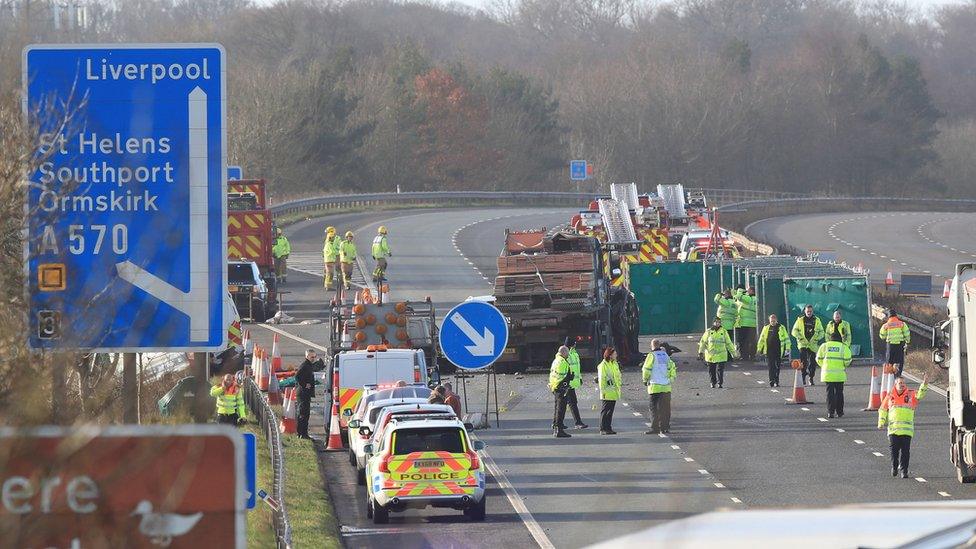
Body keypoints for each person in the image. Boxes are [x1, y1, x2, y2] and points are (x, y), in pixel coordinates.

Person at [878, 375, 928, 478]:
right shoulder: (890, 396)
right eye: (900, 383)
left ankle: (904, 471)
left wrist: (924, 384)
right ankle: (894, 466)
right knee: (894, 451)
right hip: (893, 430)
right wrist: (881, 422)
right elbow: (883, 410)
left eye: (903, 383)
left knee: (905, 452)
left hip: (906, 430)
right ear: (895, 385)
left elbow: (920, 395)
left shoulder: (911, 394)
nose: (902, 385)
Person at [643, 339, 677, 434]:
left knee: (654, 408)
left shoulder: (651, 356)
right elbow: (672, 368)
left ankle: (655, 428)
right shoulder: (665, 356)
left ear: (652, 346)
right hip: (666, 386)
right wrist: (670, 379)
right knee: (665, 408)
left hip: (655, 386)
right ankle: (665, 427)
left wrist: (645, 380)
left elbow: (646, 369)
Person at [816, 339, 852, 418]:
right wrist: (843, 365)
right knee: (839, 393)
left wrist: (824, 366)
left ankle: (830, 412)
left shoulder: (824, 346)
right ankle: (840, 412)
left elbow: (818, 358)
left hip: (828, 374)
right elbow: (848, 360)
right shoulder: (843, 347)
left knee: (830, 393)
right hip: (839, 374)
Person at [295, 349, 325, 439]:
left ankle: (303, 433)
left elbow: (314, 368)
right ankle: (302, 434)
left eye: (314, 357)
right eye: (312, 357)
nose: (313, 358)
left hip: (305, 394)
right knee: (303, 414)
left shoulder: (309, 365)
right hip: (303, 393)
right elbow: (297, 376)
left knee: (305, 414)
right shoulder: (305, 365)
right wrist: (304, 384)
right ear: (307, 356)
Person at [791, 305, 825, 386]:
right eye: (807, 311)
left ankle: (811, 377)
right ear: (805, 312)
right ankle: (803, 377)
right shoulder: (800, 320)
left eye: (810, 311)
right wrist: (800, 337)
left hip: (812, 344)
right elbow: (794, 331)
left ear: (812, 311)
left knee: (813, 362)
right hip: (803, 344)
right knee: (804, 361)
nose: (809, 313)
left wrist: (817, 338)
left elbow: (822, 332)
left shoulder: (817, 320)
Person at [699, 317, 737, 388]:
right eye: (716, 322)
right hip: (710, 355)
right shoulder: (709, 332)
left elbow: (729, 343)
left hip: (721, 355)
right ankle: (713, 382)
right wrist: (700, 352)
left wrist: (734, 353)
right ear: (713, 323)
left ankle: (720, 383)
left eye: (719, 322)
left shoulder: (724, 332)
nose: (717, 323)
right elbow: (703, 342)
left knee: (720, 370)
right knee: (711, 370)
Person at [757, 314, 791, 387]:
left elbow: (786, 339)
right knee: (771, 366)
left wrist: (787, 348)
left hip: (779, 350)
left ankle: (777, 380)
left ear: (776, 320)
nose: (773, 322)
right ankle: (771, 380)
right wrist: (759, 349)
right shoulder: (766, 328)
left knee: (777, 366)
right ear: (769, 321)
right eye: (771, 321)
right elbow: (762, 339)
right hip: (769, 350)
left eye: (774, 321)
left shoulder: (781, 328)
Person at [548, 346, 574, 438]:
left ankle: (556, 426)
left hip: (555, 387)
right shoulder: (563, 362)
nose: (568, 355)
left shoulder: (556, 360)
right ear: (564, 353)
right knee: (561, 409)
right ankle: (559, 430)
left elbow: (554, 374)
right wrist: (569, 378)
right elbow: (563, 377)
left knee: (557, 408)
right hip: (560, 388)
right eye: (567, 353)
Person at [563, 337, 588, 430]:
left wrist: (580, 378)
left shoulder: (573, 353)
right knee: (572, 403)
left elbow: (577, 368)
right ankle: (577, 422)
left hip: (570, 383)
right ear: (571, 344)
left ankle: (557, 423)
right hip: (566, 383)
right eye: (574, 343)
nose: (576, 344)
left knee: (564, 404)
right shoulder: (566, 354)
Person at [597, 347, 622, 435]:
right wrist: (602, 391)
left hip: (613, 391)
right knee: (605, 410)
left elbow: (617, 377)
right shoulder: (603, 365)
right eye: (615, 354)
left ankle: (608, 427)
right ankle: (603, 428)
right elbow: (602, 379)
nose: (616, 355)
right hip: (607, 391)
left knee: (610, 411)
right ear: (610, 355)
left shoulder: (614, 364)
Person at [880, 309, 911, 376]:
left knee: (889, 360)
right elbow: (907, 334)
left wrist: (885, 337)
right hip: (900, 345)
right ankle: (898, 375)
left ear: (888, 316)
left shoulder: (886, 325)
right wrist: (907, 341)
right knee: (899, 360)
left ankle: (890, 375)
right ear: (896, 316)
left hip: (890, 345)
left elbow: (882, 336)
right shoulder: (902, 324)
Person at [734, 287, 758, 361]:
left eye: (748, 290)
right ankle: (752, 356)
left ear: (751, 291)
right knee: (752, 341)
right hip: (753, 324)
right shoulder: (756, 299)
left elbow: (738, 296)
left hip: (744, 323)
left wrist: (740, 290)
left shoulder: (748, 299)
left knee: (743, 341)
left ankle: (744, 356)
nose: (747, 291)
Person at [322, 226, 341, 291]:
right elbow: (330, 250)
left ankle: (329, 283)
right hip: (330, 258)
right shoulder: (328, 241)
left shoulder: (337, 238)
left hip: (334, 256)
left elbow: (339, 247)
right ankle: (327, 285)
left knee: (336, 269)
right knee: (330, 272)